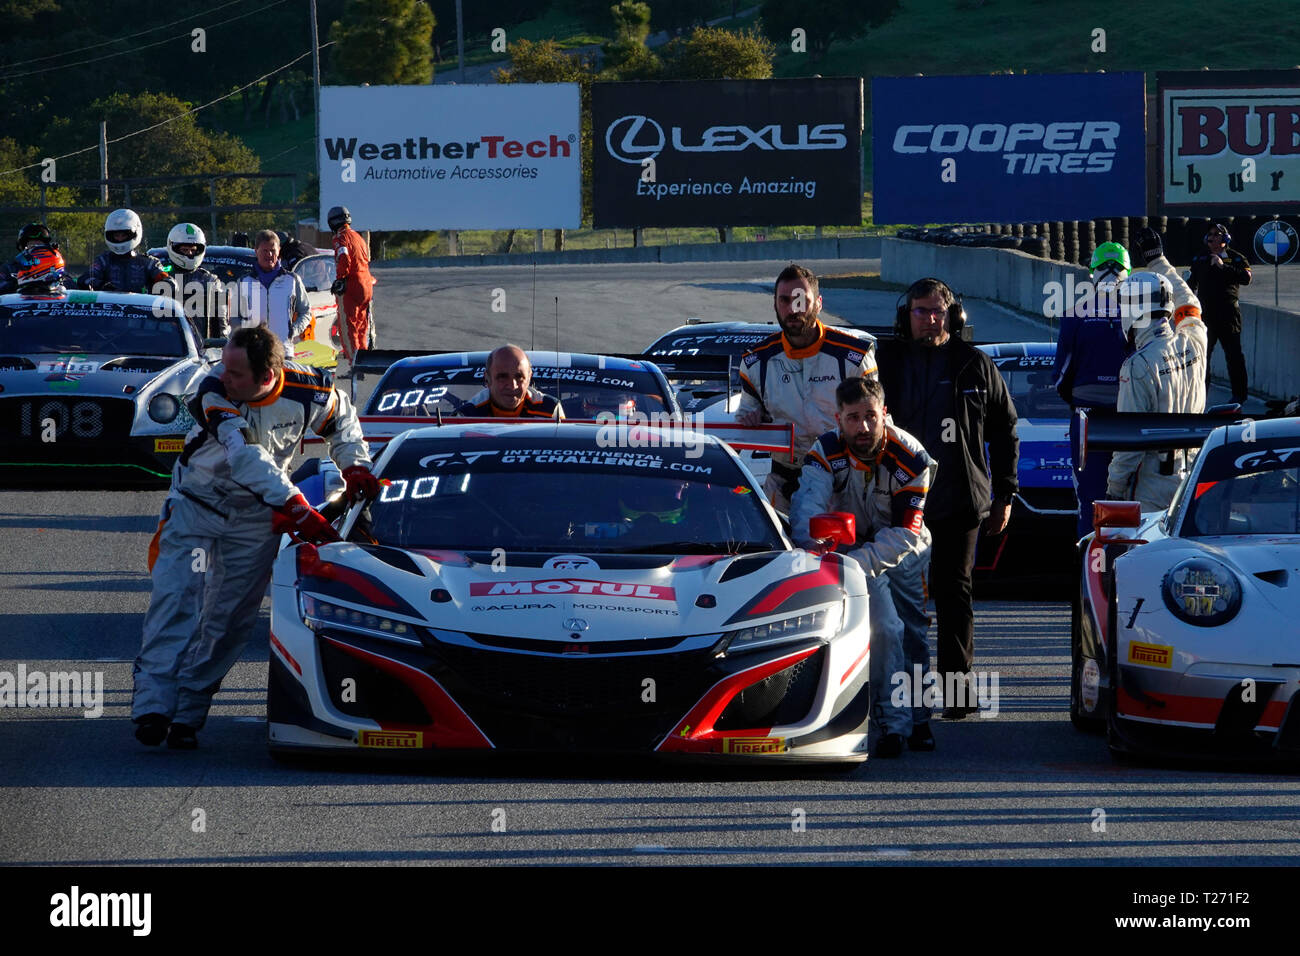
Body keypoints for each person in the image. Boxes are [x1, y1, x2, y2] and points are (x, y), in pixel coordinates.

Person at [132, 326, 377, 749]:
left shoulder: (309, 387)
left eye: (236, 373)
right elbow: (247, 456)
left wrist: (354, 465)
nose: (225, 376)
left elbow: (342, 421)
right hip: (195, 506)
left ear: (267, 375)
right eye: (225, 367)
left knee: (228, 622)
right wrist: (296, 505)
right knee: (177, 600)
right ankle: (153, 705)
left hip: (256, 520)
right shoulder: (212, 390)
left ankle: (188, 713)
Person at [876, 277, 1019, 719]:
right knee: (896, 602)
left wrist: (1006, 493)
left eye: (938, 311)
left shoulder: (975, 364)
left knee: (955, 595)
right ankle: (898, 700)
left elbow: (1005, 431)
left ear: (953, 315)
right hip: (896, 502)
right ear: (907, 316)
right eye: (920, 311)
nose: (930, 319)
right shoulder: (885, 362)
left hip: (959, 501)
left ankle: (957, 696)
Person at [791, 377, 937, 757]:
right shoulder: (824, 452)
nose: (864, 427)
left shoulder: (912, 457)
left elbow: (906, 532)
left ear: (884, 413)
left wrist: (855, 562)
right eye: (853, 418)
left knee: (914, 634)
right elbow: (807, 515)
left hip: (905, 549)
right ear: (838, 419)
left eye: (871, 416)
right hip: (849, 549)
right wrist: (827, 553)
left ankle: (919, 718)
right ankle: (892, 724)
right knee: (885, 629)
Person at [736, 264, 879, 512]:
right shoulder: (755, 361)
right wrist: (750, 418)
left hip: (844, 487)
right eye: (785, 300)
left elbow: (878, 425)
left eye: (801, 299)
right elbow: (743, 420)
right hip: (783, 486)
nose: (793, 309)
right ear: (774, 304)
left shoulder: (854, 356)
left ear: (819, 303)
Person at [1105, 270, 1208, 513]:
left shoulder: (1137, 366)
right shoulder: (1195, 340)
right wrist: (1159, 260)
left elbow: (1129, 442)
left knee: (1143, 551)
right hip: (1192, 482)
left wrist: (1114, 489)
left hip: (1151, 490)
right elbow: (1191, 303)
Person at [1052, 241, 1131, 540]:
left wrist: (1078, 400)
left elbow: (1060, 376)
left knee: (1092, 501)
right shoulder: (1143, 315)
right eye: (1108, 268)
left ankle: (1092, 567)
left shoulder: (1075, 314)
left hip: (1088, 420)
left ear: (1091, 274)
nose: (1111, 273)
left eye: (1113, 268)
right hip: (1133, 420)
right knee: (1133, 498)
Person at [1188, 222, 1252, 405]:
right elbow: (1191, 284)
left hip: (1229, 314)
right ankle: (1200, 396)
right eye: (1210, 234)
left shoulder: (1236, 258)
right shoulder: (1200, 258)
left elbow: (1246, 278)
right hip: (1205, 315)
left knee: (1234, 356)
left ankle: (1240, 396)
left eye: (1217, 234)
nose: (1213, 237)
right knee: (1202, 356)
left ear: (1225, 238)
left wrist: (1223, 266)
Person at [232, 229, 311, 346]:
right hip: (253, 351)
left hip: (283, 350)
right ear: (256, 251)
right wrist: (245, 334)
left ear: (279, 251)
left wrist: (293, 330)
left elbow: (306, 312)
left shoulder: (292, 280)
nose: (269, 254)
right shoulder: (244, 282)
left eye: (272, 250)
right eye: (265, 250)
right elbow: (234, 316)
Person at [326, 206, 377, 367]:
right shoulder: (358, 237)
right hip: (367, 284)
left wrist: (340, 279)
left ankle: (354, 363)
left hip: (352, 285)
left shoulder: (340, 238)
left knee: (348, 328)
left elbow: (344, 257)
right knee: (362, 326)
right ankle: (364, 361)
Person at [459, 345, 565, 418]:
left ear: (529, 379)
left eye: (519, 377)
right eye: (502, 377)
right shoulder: (467, 415)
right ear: (487, 379)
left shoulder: (550, 410)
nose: (512, 386)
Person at [162, 222, 227, 340]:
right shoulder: (161, 277)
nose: (190, 253)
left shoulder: (210, 280)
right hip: (167, 343)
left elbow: (220, 322)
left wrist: (219, 344)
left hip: (201, 345)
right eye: (185, 250)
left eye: (193, 250)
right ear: (173, 247)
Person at [83, 208, 168, 293]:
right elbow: (86, 278)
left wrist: (164, 283)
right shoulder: (103, 261)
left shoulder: (149, 263)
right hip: (110, 303)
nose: (120, 239)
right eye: (116, 235)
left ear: (135, 234)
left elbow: (166, 279)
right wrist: (101, 285)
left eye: (124, 235)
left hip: (140, 304)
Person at [1, 222, 60, 293]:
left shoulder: (54, 266)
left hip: (51, 301)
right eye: (32, 244)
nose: (37, 247)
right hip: (21, 301)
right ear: (22, 247)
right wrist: (19, 282)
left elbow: (69, 285)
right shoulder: (9, 268)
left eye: (39, 244)